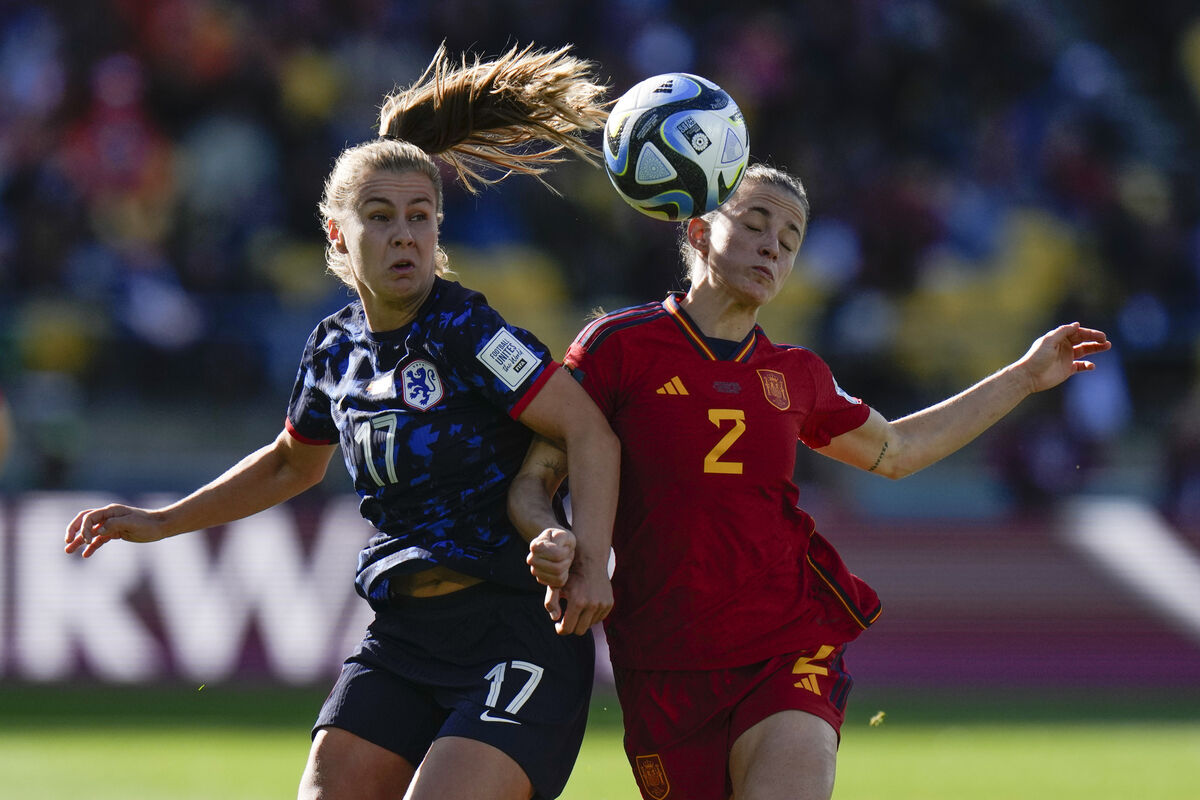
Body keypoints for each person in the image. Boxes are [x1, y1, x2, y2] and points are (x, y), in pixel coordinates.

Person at [64, 43, 619, 800]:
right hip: (401, 636)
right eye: (381, 217)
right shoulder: (334, 348)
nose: (404, 236)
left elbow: (588, 430)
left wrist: (588, 556)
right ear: (336, 236)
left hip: (513, 631)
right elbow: (294, 463)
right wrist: (163, 523)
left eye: (421, 218)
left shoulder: (468, 333)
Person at [508, 163, 1111, 800]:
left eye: (790, 239)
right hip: (661, 660)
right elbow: (533, 482)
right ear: (698, 231)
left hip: (785, 641)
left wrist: (1022, 375)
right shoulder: (615, 347)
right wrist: (557, 539)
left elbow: (899, 450)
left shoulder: (797, 375)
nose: (773, 245)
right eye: (755, 223)